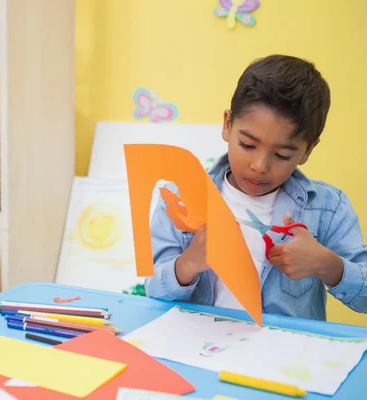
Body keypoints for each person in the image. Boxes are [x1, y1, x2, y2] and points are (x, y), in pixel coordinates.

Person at [146, 54, 367, 320]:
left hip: (285, 357)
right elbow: (154, 291)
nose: (260, 166)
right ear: (228, 124)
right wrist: (189, 263)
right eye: (248, 145)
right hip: (200, 352)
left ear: (308, 150)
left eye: (283, 155)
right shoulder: (179, 198)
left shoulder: (329, 208)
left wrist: (329, 266)